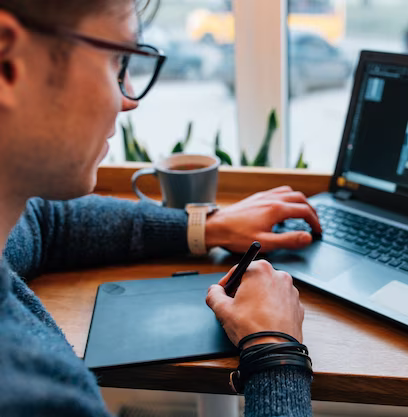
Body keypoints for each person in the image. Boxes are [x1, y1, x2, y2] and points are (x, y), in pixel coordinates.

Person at [0, 0, 319, 416]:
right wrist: (275, 350)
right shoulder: (30, 392)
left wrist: (210, 226)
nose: (128, 100)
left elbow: (45, 221)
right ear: (9, 62)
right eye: (117, 60)